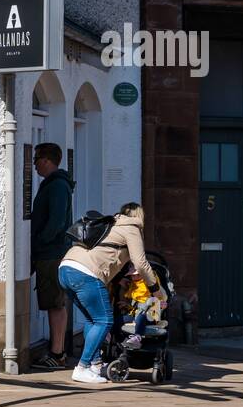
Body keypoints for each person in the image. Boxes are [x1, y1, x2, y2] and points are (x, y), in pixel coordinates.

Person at [58, 202, 166, 384]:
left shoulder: (111, 224)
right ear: (139, 216)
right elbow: (140, 263)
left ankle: (94, 365)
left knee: (93, 320)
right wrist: (155, 289)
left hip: (66, 268)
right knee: (104, 320)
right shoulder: (131, 228)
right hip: (86, 273)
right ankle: (82, 367)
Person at [29, 142, 75, 370]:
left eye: (36, 160)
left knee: (55, 303)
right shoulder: (55, 184)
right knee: (53, 303)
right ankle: (56, 351)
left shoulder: (56, 186)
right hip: (51, 251)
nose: (34, 165)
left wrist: (41, 241)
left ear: (46, 160)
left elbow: (56, 221)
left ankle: (57, 353)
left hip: (52, 253)